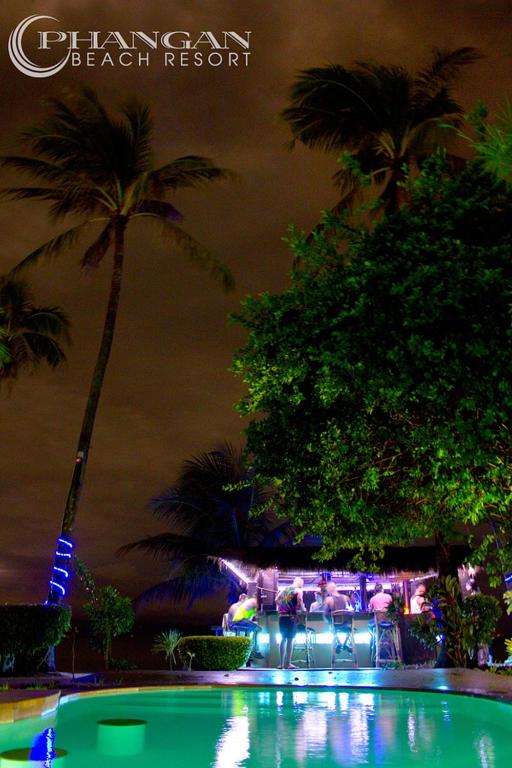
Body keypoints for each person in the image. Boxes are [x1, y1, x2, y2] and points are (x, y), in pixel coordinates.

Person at [276, 577, 305, 669]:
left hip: (282, 617)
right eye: (302, 584)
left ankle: (281, 664)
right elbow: (299, 600)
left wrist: (283, 607)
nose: (302, 586)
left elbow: (276, 600)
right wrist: (303, 609)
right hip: (291, 617)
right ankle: (288, 664)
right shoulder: (298, 590)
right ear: (300, 583)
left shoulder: (284, 589)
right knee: (290, 639)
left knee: (283, 639)